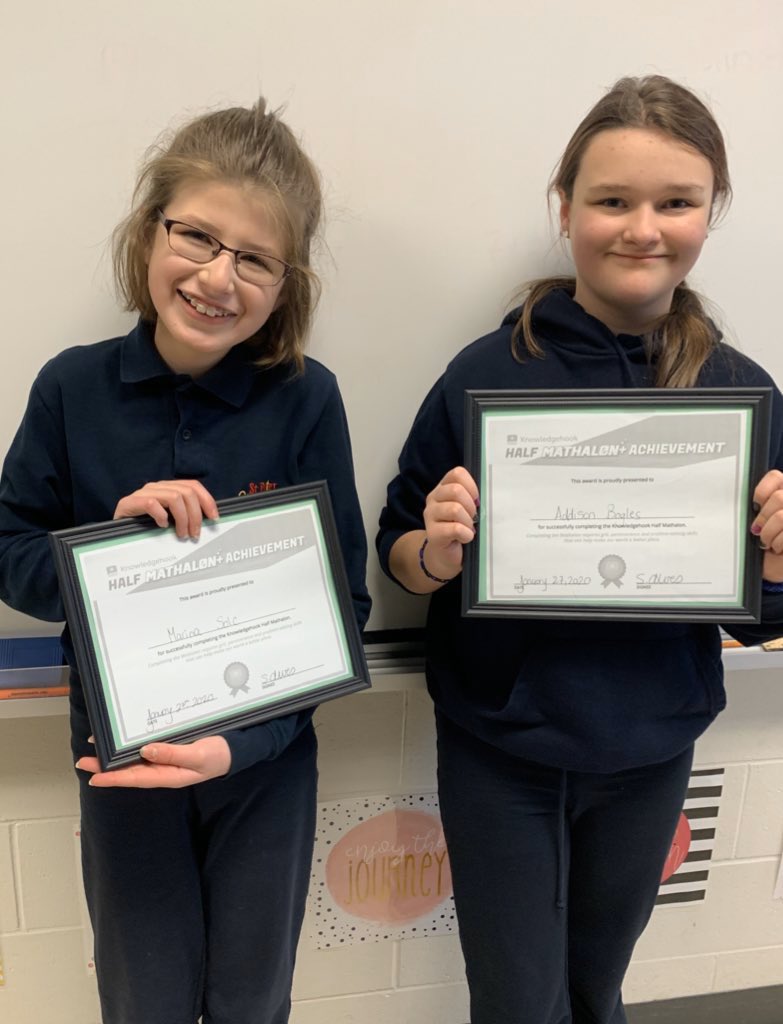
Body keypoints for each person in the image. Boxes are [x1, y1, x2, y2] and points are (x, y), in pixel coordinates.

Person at [377, 75, 783, 1024]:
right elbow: (397, 552)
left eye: (674, 203)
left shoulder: (739, 392)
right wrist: (434, 551)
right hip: (499, 747)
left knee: (596, 991)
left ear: (709, 213)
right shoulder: (485, 374)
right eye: (610, 201)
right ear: (564, 209)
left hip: (651, 747)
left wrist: (776, 563)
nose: (642, 229)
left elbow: (761, 619)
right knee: (517, 1003)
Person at [0, 99, 370, 1024]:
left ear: (285, 285)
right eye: (196, 236)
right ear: (148, 232)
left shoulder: (306, 399)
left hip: (265, 766)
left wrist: (242, 745)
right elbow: (9, 551)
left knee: (253, 1001)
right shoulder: (71, 388)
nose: (216, 277)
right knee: (143, 1001)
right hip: (123, 768)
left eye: (254, 259)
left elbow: (344, 604)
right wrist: (99, 553)